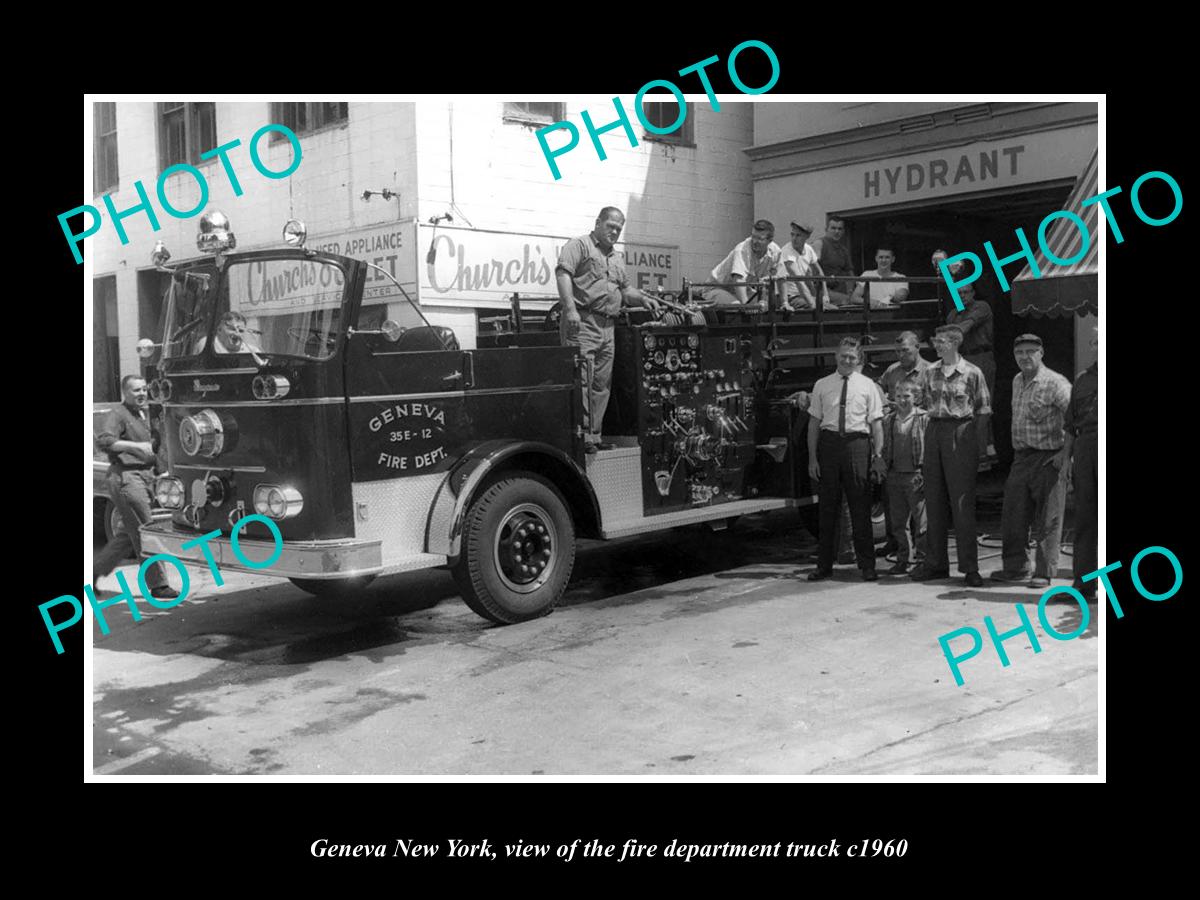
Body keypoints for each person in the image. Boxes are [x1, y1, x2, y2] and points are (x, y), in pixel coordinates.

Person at [557, 207, 661, 453]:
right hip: (582, 322)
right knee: (581, 379)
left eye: (618, 228)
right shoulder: (579, 245)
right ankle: (579, 438)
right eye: (610, 226)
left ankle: (593, 436)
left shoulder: (616, 258)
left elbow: (625, 290)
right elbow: (563, 274)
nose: (614, 231)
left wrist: (643, 298)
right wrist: (570, 309)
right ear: (598, 223)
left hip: (608, 325)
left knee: (601, 384)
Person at [909, 324, 991, 587]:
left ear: (955, 343)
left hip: (960, 432)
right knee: (933, 501)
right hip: (933, 431)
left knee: (962, 503)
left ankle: (970, 568)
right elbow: (918, 403)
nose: (937, 345)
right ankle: (936, 564)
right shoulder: (929, 372)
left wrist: (976, 445)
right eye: (936, 341)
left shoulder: (972, 372)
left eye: (942, 341)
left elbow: (983, 410)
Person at [989, 334, 1072, 589]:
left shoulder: (1056, 383)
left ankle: (1044, 572)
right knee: (1013, 513)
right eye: (1019, 353)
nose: (1024, 357)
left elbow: (1074, 421)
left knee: (1048, 517)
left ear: (1041, 352)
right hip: (1021, 458)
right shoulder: (1017, 380)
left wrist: (1065, 456)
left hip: (1049, 457)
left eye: (1030, 351)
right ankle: (1016, 568)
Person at [804, 337, 885, 582]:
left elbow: (876, 424)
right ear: (835, 356)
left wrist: (877, 455)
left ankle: (867, 566)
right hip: (829, 446)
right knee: (827, 508)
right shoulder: (822, 385)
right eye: (843, 356)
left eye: (852, 357)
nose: (847, 360)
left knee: (861, 507)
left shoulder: (868, 385)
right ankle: (824, 566)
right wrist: (812, 459)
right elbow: (814, 424)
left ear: (858, 359)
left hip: (857, 445)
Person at [93, 375, 179, 600]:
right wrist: (136, 446)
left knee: (127, 534)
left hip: (144, 477)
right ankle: (158, 585)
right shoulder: (118, 414)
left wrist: (162, 471)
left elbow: (155, 448)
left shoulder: (144, 414)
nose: (141, 394)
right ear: (125, 393)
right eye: (135, 391)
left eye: (143, 389)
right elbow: (104, 441)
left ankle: (93, 572)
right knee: (146, 530)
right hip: (126, 478)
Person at [881, 377, 929, 575]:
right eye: (899, 396)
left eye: (907, 396)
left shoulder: (924, 418)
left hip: (915, 475)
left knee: (921, 521)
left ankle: (924, 559)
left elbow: (930, 449)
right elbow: (884, 447)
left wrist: (926, 472)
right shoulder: (889, 420)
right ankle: (904, 558)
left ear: (915, 397)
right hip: (895, 475)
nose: (902, 400)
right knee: (898, 522)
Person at [1065, 342, 1098, 600]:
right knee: (1085, 517)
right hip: (1086, 447)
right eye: (1097, 342)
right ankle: (1085, 585)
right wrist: (1067, 461)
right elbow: (1070, 426)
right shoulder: (1082, 380)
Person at [700, 219, 781, 308]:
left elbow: (778, 279)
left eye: (759, 239)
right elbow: (738, 280)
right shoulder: (742, 250)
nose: (754, 241)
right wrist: (746, 307)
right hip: (717, 288)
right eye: (753, 236)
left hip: (743, 289)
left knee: (767, 307)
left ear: (770, 240)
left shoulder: (775, 252)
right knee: (737, 307)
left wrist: (781, 303)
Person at [946, 281, 995, 402]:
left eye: (965, 292)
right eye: (959, 293)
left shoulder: (982, 306)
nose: (962, 295)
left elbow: (968, 324)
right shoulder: (952, 314)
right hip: (961, 359)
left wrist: (952, 332)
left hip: (980, 357)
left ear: (973, 293)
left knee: (983, 402)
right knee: (962, 402)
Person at [777, 221, 831, 310]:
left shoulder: (808, 249)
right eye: (792, 235)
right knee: (825, 309)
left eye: (798, 235)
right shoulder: (787, 251)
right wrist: (812, 304)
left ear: (807, 237)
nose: (794, 238)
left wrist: (825, 295)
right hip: (788, 297)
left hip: (801, 295)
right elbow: (799, 280)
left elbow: (818, 272)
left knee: (832, 308)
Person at [878, 331, 931, 408]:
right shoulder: (892, 369)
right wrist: (884, 403)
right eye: (898, 351)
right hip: (893, 416)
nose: (901, 355)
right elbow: (877, 386)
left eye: (905, 350)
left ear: (917, 347)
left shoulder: (931, 371)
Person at [810, 216, 854, 305]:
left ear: (843, 231)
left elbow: (850, 272)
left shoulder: (843, 250)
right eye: (833, 228)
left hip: (840, 291)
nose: (836, 231)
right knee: (848, 301)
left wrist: (850, 291)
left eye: (839, 229)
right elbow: (812, 266)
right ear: (826, 229)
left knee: (853, 300)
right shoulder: (819, 244)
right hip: (821, 290)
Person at [197, 310, 264, 355]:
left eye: (241, 331)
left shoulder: (253, 352)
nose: (237, 334)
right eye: (233, 329)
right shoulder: (208, 344)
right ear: (219, 330)